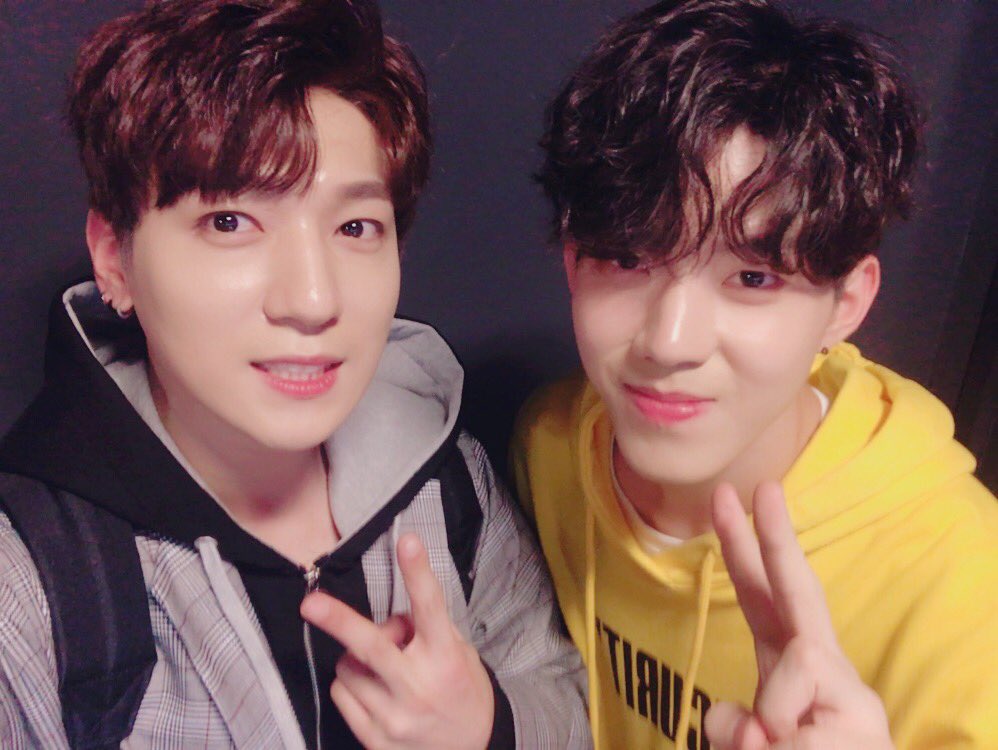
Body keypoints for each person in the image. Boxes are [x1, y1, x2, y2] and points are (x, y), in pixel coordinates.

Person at [0, 1, 589, 748]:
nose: (313, 300)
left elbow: (559, 691)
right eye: (230, 222)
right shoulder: (28, 577)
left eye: (355, 227)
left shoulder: (449, 481)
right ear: (115, 257)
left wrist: (488, 727)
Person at [511, 1, 998, 748]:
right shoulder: (547, 449)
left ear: (847, 304)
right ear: (575, 265)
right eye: (630, 259)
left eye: (753, 278)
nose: (670, 342)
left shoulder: (964, 589)